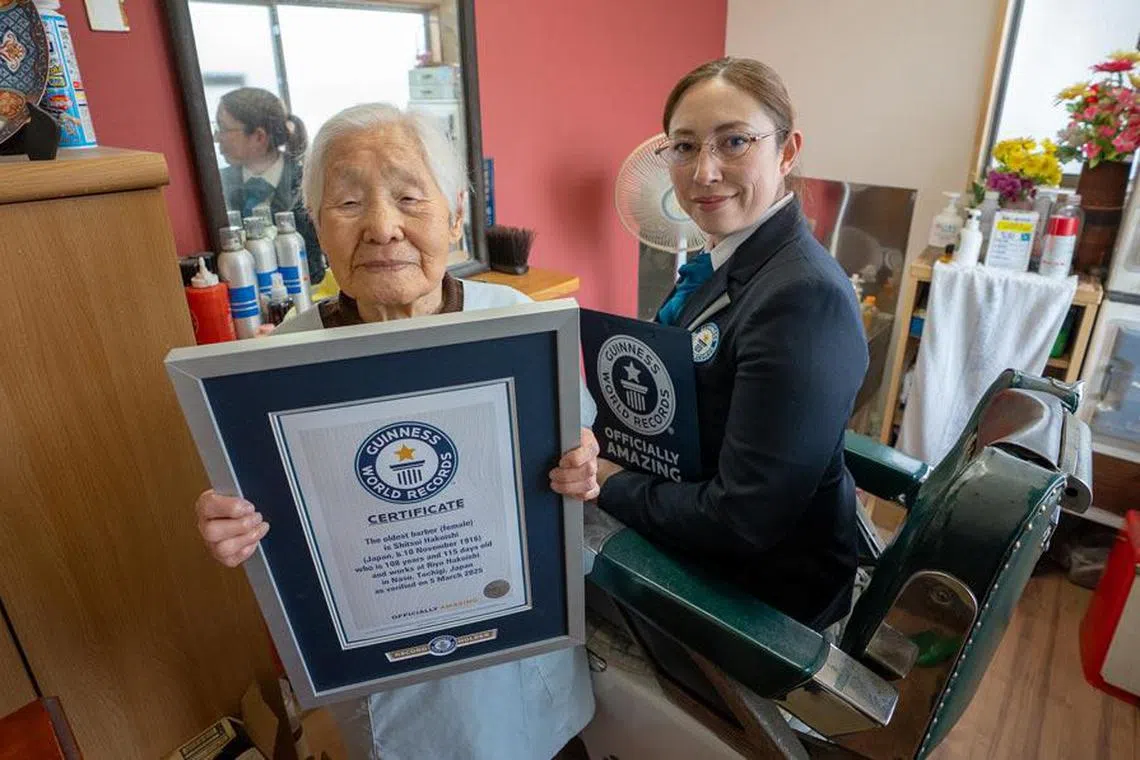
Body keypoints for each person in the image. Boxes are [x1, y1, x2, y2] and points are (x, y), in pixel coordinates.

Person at [196, 103, 600, 760]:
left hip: (519, 658)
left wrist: (582, 463)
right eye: (349, 203)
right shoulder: (278, 364)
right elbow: (266, 511)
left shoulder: (517, 324)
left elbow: (578, 442)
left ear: (456, 215)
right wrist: (232, 522)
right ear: (317, 226)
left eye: (410, 198)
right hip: (387, 685)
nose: (383, 228)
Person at [595, 58, 869, 632]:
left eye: (735, 141)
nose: (704, 172)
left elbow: (743, 520)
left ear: (787, 151)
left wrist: (609, 480)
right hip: (692, 515)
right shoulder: (727, 261)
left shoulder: (801, 300)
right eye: (684, 147)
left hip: (762, 600)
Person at [214, 87, 326, 283]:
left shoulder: (307, 180)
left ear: (259, 136)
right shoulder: (217, 185)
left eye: (223, 128)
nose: (216, 138)